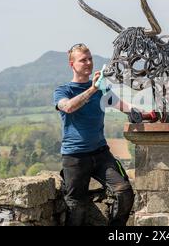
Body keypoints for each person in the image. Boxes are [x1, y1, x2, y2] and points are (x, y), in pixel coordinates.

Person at [53, 43, 134, 226]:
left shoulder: (102, 89)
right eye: (83, 60)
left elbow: (123, 106)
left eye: (90, 59)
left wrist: (145, 114)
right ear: (72, 64)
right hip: (75, 156)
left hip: (100, 153)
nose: (88, 63)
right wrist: (93, 89)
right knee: (76, 206)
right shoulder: (63, 90)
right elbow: (68, 107)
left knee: (124, 191)